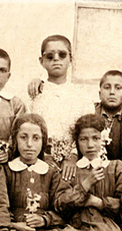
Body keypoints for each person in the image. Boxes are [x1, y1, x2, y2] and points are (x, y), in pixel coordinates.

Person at [27, 35, 94, 178]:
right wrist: (43, 155)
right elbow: (27, 129)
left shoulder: (82, 96)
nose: (56, 59)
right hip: (40, 160)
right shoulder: (35, 94)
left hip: (73, 163)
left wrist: (74, 156)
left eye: (62, 55)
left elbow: (88, 130)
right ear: (41, 61)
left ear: (71, 59)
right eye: (50, 56)